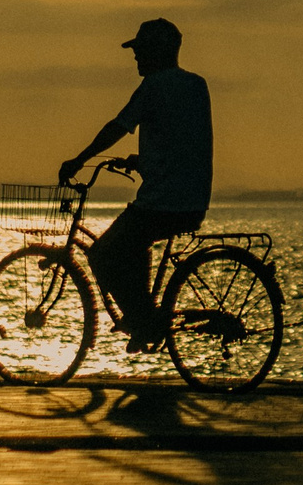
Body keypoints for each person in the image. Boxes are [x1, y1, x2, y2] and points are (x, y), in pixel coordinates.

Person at [60, 17, 212, 352]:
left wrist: (79, 159)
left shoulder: (153, 87)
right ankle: (146, 319)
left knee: (102, 255)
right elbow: (185, 143)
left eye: (141, 50)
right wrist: (142, 162)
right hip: (193, 199)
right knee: (133, 243)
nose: (136, 56)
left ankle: (144, 322)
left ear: (158, 51)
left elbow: (118, 126)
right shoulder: (195, 85)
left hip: (163, 202)